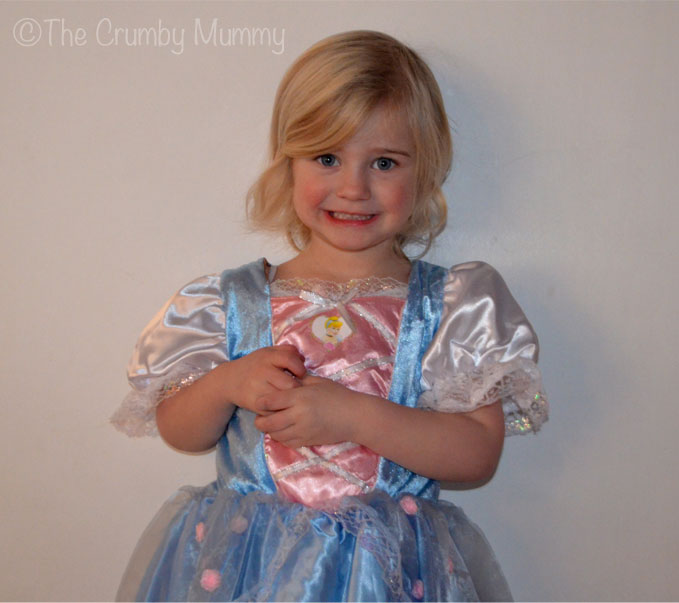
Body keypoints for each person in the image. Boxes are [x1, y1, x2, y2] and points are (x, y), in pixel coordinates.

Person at [111, 30, 548, 602]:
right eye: (327, 158)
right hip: (250, 575)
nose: (353, 187)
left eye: (384, 162)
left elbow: (476, 456)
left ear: (425, 172)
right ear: (288, 163)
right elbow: (181, 431)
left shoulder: (450, 307)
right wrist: (226, 384)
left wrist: (355, 416)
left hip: (390, 578)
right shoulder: (230, 303)